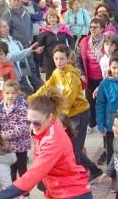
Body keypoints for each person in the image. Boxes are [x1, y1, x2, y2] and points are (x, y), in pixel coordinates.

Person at [34, 45, 101, 179]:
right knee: (72, 147)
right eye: (56, 59)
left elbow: (69, 99)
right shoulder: (56, 73)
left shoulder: (71, 76)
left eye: (62, 59)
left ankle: (78, 177)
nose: (59, 62)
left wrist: (57, 114)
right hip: (67, 115)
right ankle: (94, 171)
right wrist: (33, 98)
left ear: (68, 58)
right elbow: (46, 87)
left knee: (74, 149)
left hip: (79, 114)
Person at [0, 81, 33, 199]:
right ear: (3, 93)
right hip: (6, 148)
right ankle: (15, 198)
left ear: (18, 93)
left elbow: (24, 126)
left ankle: (26, 197)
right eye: (7, 93)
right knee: (10, 173)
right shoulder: (0, 107)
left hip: (20, 146)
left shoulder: (22, 106)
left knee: (23, 172)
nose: (10, 96)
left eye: (13, 93)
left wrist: (6, 134)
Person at [34, 10, 74, 78]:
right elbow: (39, 45)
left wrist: (71, 52)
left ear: (57, 18)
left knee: (63, 76)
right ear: (47, 19)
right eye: (50, 18)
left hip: (62, 57)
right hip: (49, 59)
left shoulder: (64, 28)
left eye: (54, 17)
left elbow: (71, 41)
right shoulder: (43, 31)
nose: (52, 19)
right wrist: (40, 59)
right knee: (50, 77)